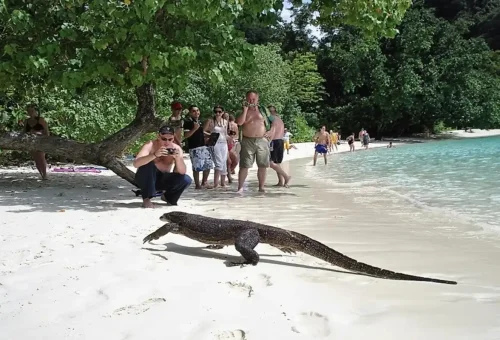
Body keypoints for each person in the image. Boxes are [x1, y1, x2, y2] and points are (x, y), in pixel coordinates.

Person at [133, 125, 192, 208]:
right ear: (158, 136)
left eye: (170, 139)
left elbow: (182, 172)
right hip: (146, 178)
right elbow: (136, 164)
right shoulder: (150, 144)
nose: (167, 142)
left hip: (163, 179)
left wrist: (178, 159)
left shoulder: (176, 148)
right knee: (148, 164)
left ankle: (169, 197)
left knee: (186, 179)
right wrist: (154, 155)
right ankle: (146, 198)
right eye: (164, 139)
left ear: (173, 138)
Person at [235, 90, 273, 193]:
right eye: (249, 99)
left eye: (253, 99)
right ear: (246, 99)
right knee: (244, 165)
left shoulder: (263, 110)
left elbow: (273, 122)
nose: (251, 101)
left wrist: (271, 132)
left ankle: (261, 187)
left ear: (257, 99)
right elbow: (240, 122)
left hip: (262, 140)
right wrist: (245, 110)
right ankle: (240, 187)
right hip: (247, 140)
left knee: (263, 165)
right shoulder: (241, 110)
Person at [183, 105, 213, 189]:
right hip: (194, 147)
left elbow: (200, 132)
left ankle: (204, 182)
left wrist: (209, 136)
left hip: (203, 146)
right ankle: (197, 184)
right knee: (196, 166)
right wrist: (194, 129)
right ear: (190, 113)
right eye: (194, 111)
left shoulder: (199, 121)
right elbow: (186, 135)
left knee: (208, 164)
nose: (196, 112)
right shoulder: (188, 122)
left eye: (197, 110)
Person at [203, 105, 229, 188]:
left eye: (219, 112)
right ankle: (215, 184)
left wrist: (231, 138)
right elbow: (203, 131)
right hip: (215, 143)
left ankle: (223, 182)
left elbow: (225, 133)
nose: (217, 113)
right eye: (216, 111)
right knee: (218, 163)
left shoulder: (225, 121)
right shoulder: (210, 121)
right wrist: (211, 135)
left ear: (223, 113)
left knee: (224, 162)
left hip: (224, 143)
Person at [267, 106, 291, 187]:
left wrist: (268, 140)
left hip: (274, 141)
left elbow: (273, 131)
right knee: (277, 163)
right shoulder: (279, 119)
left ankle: (286, 177)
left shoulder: (272, 118)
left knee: (270, 162)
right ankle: (281, 182)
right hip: (280, 141)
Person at [24, 104, 49, 180]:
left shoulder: (40, 120)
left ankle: (45, 175)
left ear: (35, 112)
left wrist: (38, 134)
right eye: (29, 111)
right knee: (36, 159)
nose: (30, 112)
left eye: (32, 111)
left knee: (41, 157)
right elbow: (24, 132)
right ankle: (41, 175)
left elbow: (46, 132)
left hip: (41, 141)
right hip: (31, 142)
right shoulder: (26, 121)